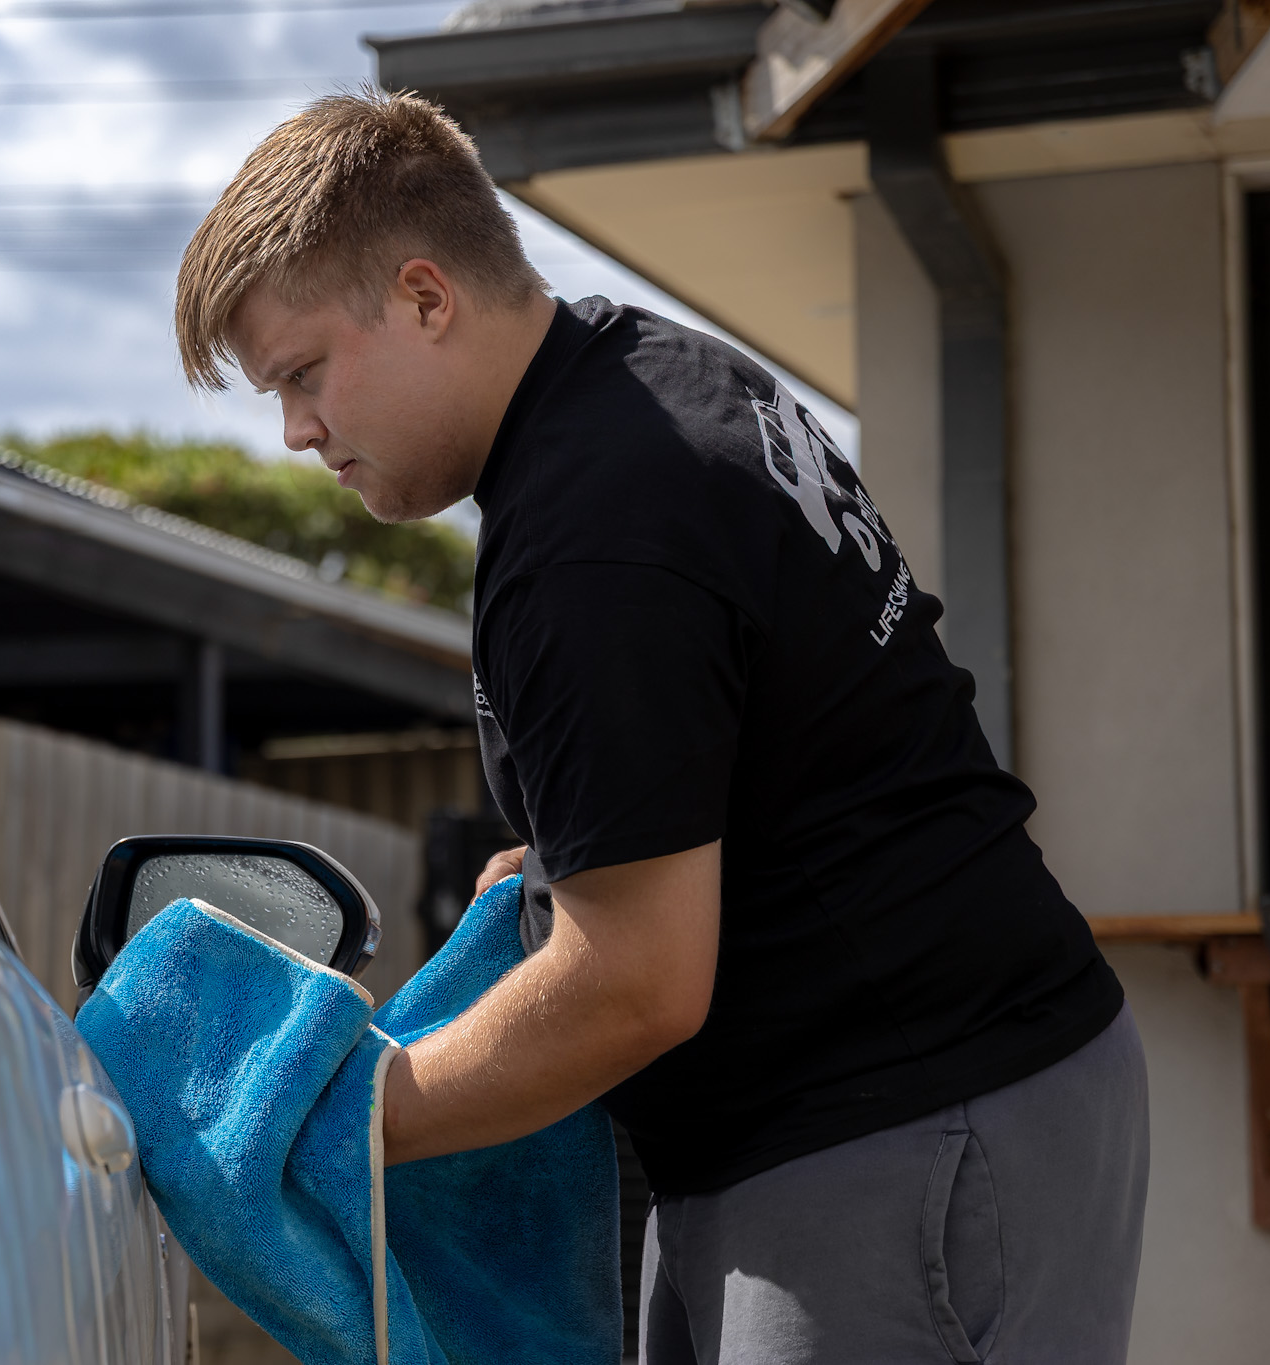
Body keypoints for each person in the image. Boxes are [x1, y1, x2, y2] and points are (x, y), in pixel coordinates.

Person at [174, 90, 1148, 1364]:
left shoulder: (591, 533)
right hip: (886, 1107)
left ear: (423, 296)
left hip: (903, 1126)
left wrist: (337, 1119)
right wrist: (574, 854)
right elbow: (768, 742)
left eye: (302, 375)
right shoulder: (651, 376)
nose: (297, 431)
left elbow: (636, 982)